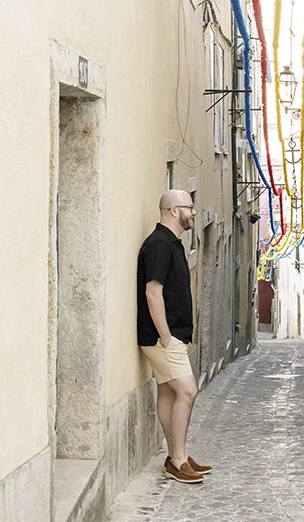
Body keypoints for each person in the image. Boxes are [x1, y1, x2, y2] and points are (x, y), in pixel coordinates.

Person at [137, 190, 212, 484]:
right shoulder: (158, 245)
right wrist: (166, 336)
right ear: (172, 210)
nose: (193, 212)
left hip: (168, 335)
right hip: (160, 337)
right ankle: (178, 459)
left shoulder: (172, 243)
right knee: (187, 391)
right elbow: (152, 291)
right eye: (189, 207)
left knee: (169, 392)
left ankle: (175, 454)